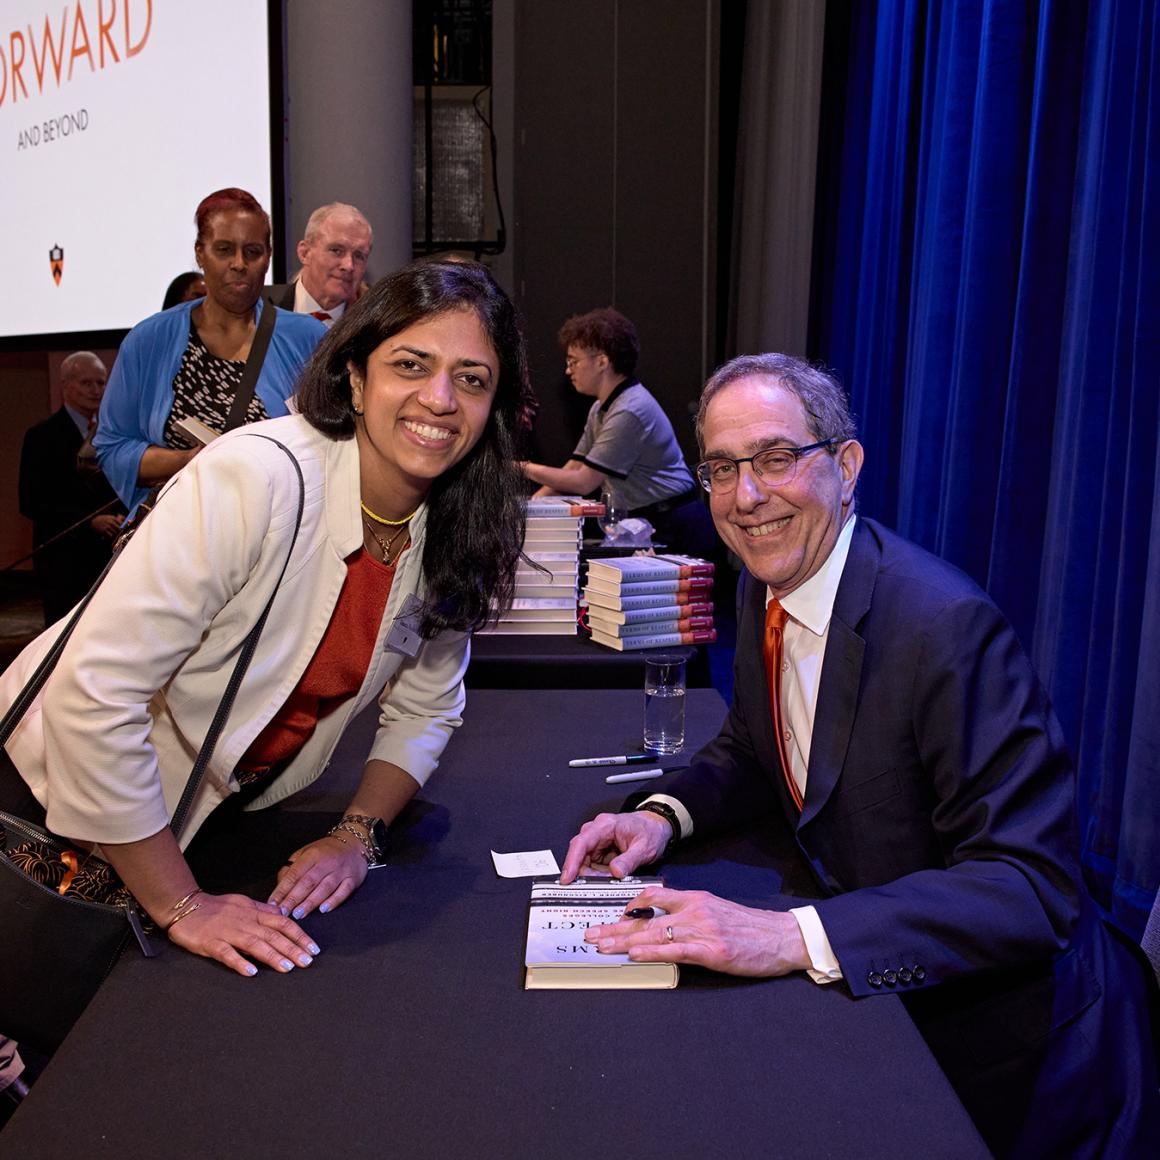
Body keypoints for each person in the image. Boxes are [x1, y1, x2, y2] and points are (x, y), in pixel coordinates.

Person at [560, 353, 1160, 1158]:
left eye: (777, 459)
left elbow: (1030, 887)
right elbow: (755, 741)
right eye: (724, 469)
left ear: (846, 468)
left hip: (1018, 1060)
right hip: (891, 992)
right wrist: (665, 818)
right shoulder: (763, 576)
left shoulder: (944, 629)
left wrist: (788, 936)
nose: (746, 498)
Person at [0, 259, 531, 989]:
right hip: (50, 804)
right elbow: (94, 698)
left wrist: (354, 834)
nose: (440, 399)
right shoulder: (256, 478)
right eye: (412, 364)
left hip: (196, 820)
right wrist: (181, 903)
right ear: (354, 375)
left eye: (471, 378)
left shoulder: (453, 525)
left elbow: (427, 705)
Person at [94, 188, 325, 514]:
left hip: (274, 538)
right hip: (175, 535)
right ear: (200, 253)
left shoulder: (308, 340)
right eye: (224, 250)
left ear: (269, 256)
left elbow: (333, 446)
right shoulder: (150, 340)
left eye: (253, 251)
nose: (239, 264)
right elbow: (113, 447)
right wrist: (189, 461)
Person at [520, 308, 715, 558]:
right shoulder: (601, 407)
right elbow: (573, 467)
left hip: (675, 523)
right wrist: (532, 506)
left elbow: (583, 481)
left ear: (602, 361)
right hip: (646, 519)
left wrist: (522, 468)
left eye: (573, 361)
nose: (568, 370)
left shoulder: (629, 410)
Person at [18, 352, 125, 624]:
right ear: (66, 385)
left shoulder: (113, 433)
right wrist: (89, 522)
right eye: (87, 383)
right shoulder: (42, 436)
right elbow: (31, 501)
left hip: (107, 559)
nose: (96, 390)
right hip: (64, 563)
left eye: (101, 383)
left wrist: (126, 514)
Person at [267, 202, 374, 326]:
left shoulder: (376, 325)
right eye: (336, 250)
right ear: (305, 253)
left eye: (358, 256)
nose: (349, 265)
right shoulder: (259, 309)